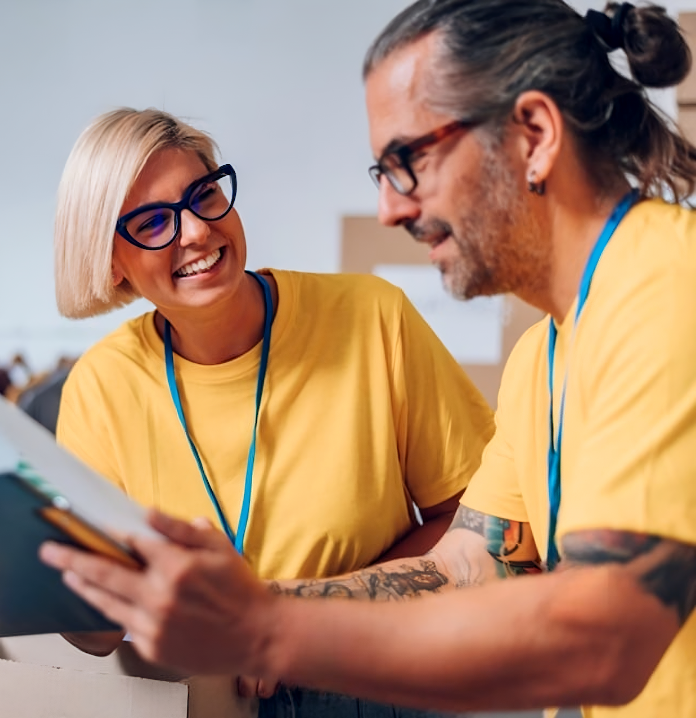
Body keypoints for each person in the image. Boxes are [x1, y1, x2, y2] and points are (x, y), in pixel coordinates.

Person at [39, 2, 696, 716]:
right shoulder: (545, 353)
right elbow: (475, 563)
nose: (388, 209)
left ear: (533, 136)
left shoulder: (667, 288)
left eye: (407, 161)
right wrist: (248, 606)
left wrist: (268, 631)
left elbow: (602, 642)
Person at [51, 108, 495, 717]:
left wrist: (301, 617)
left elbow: (483, 525)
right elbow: (90, 622)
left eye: (204, 196)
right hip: (196, 694)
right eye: (153, 222)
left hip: (369, 680)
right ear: (110, 261)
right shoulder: (100, 386)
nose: (196, 233)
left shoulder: (373, 319)